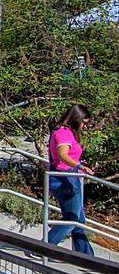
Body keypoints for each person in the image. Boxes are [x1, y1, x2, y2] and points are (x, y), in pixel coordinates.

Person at [47, 104, 96, 255]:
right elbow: (63, 155)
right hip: (65, 178)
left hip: (69, 177)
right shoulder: (64, 133)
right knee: (72, 220)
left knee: (79, 220)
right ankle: (44, 246)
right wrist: (80, 166)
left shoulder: (63, 132)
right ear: (76, 119)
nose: (85, 126)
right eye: (84, 122)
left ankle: (86, 255)